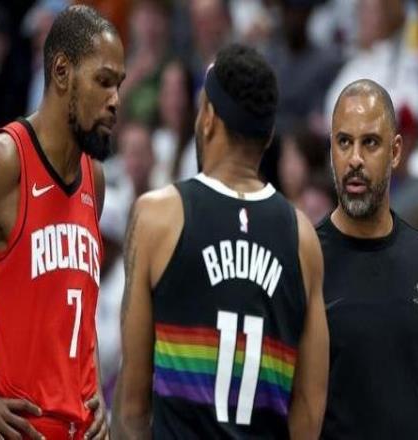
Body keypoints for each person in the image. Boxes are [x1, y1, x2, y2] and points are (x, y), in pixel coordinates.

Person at [0, 5, 125, 439]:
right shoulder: (2, 163)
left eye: (119, 85)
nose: (115, 99)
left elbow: (73, 305)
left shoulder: (95, 177)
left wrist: (92, 386)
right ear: (61, 72)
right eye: (104, 81)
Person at [112, 43, 328, 439]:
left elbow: (133, 405)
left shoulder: (157, 217)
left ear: (208, 117)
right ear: (268, 136)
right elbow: (310, 413)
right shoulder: (302, 238)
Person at [317, 79, 418, 439]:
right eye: (344, 142)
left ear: (395, 151)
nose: (355, 159)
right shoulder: (305, 262)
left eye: (371, 143)